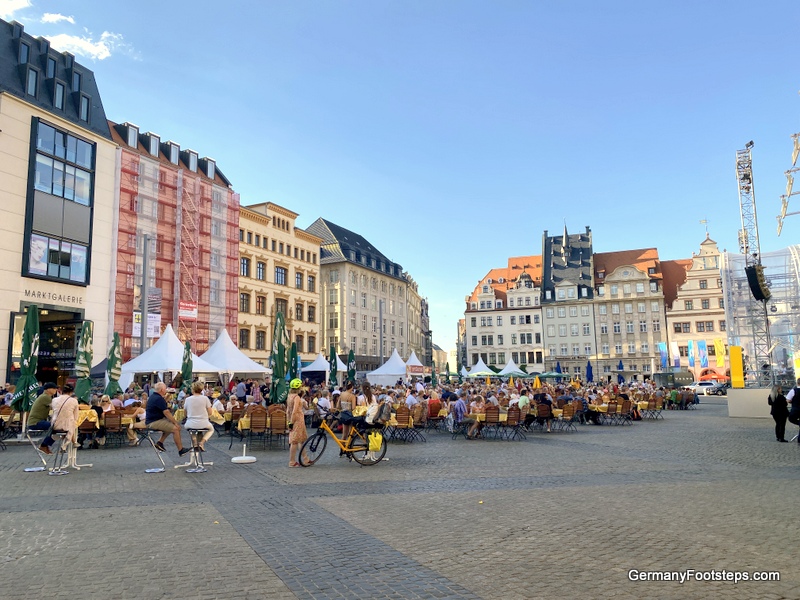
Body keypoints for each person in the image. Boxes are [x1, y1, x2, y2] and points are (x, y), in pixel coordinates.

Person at [145, 382, 190, 456]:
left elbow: (160, 405)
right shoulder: (158, 398)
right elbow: (166, 412)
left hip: (152, 420)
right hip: (154, 422)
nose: (166, 390)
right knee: (176, 429)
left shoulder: (154, 396)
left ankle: (160, 442)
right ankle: (181, 450)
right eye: (165, 389)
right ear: (162, 390)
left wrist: (166, 398)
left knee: (170, 425)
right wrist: (175, 423)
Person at [183, 381, 214, 452]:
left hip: (190, 423)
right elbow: (210, 412)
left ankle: (194, 442)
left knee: (192, 430)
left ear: (192, 389)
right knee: (211, 429)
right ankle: (202, 442)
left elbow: (185, 413)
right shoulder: (205, 398)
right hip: (203, 422)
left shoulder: (187, 399)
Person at [29, 382, 59, 454]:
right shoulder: (45, 397)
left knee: (56, 427)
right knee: (56, 426)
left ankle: (45, 445)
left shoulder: (45, 396)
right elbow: (56, 407)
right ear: (48, 389)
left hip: (37, 421)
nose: (56, 390)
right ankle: (44, 445)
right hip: (35, 422)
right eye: (54, 388)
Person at [50, 383, 80, 449]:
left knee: (67, 421)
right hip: (67, 426)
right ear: (71, 392)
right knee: (72, 423)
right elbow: (76, 416)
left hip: (55, 424)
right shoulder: (74, 401)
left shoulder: (54, 400)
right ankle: (70, 443)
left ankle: (67, 443)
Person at [288, 388, 308, 467]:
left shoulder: (289, 396)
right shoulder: (296, 397)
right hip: (298, 420)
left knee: (300, 440)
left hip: (294, 420)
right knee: (295, 441)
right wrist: (291, 423)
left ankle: (306, 458)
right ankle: (292, 462)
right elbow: (294, 411)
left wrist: (289, 421)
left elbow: (288, 411)